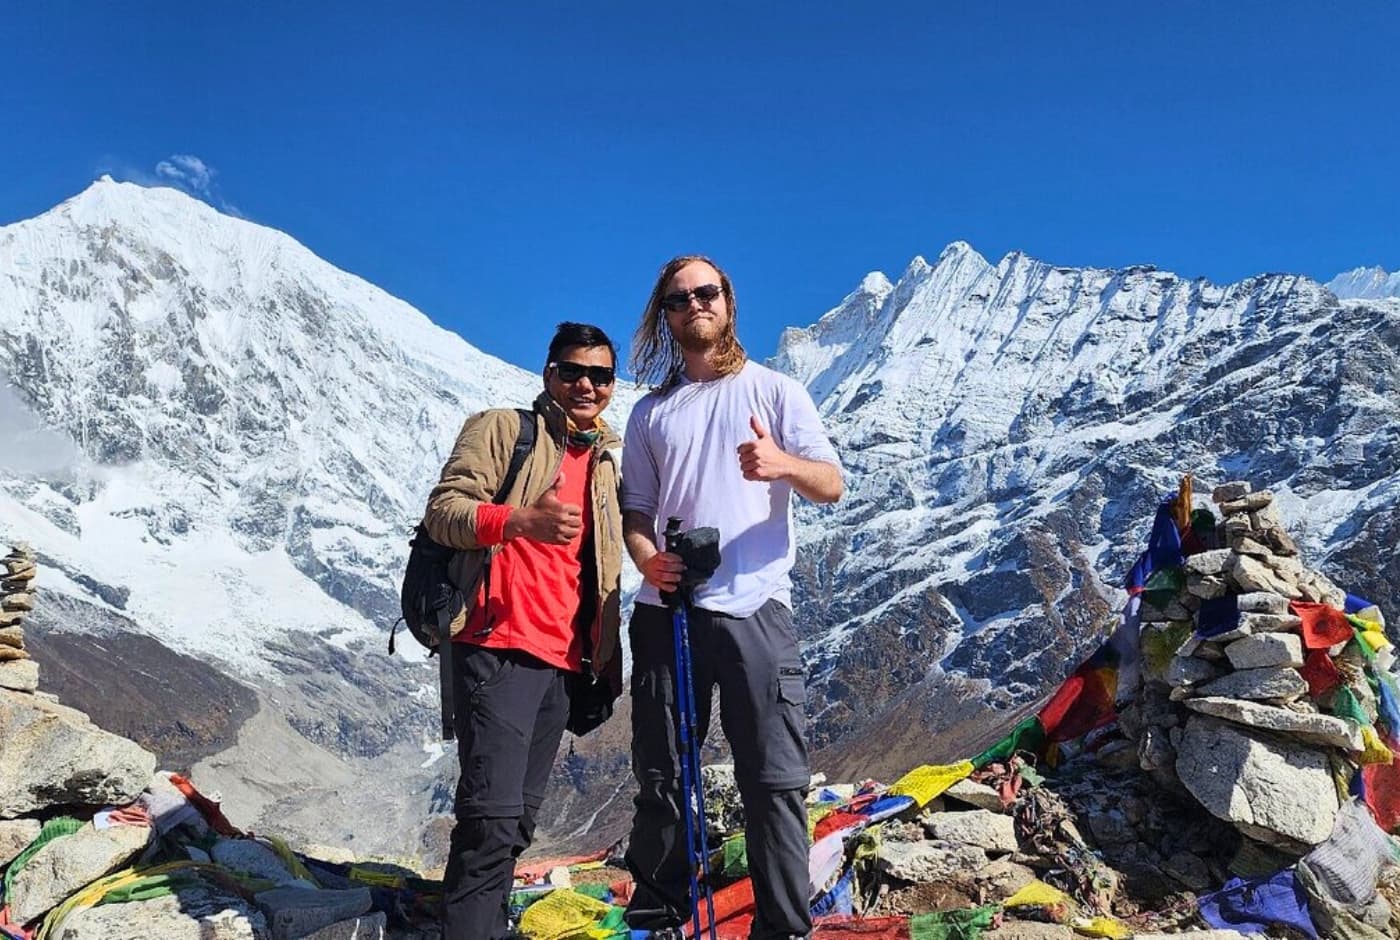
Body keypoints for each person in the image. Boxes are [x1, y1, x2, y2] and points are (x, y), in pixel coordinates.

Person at [621, 256, 844, 939]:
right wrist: (648, 561)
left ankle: (782, 928)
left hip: (755, 608)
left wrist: (781, 465)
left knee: (774, 779)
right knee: (662, 774)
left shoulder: (776, 393)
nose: (694, 305)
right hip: (668, 613)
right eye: (678, 298)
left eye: (705, 292)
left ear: (729, 300)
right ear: (665, 316)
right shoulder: (651, 412)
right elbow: (636, 512)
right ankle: (658, 918)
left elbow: (831, 482)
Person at [422, 321, 625, 940]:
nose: (586, 385)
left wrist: (603, 666)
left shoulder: (606, 463)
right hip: (496, 647)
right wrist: (517, 521)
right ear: (549, 375)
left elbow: (604, 570)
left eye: (600, 375)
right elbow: (443, 513)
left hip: (562, 665)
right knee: (489, 821)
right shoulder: (503, 430)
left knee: (517, 825)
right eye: (573, 371)